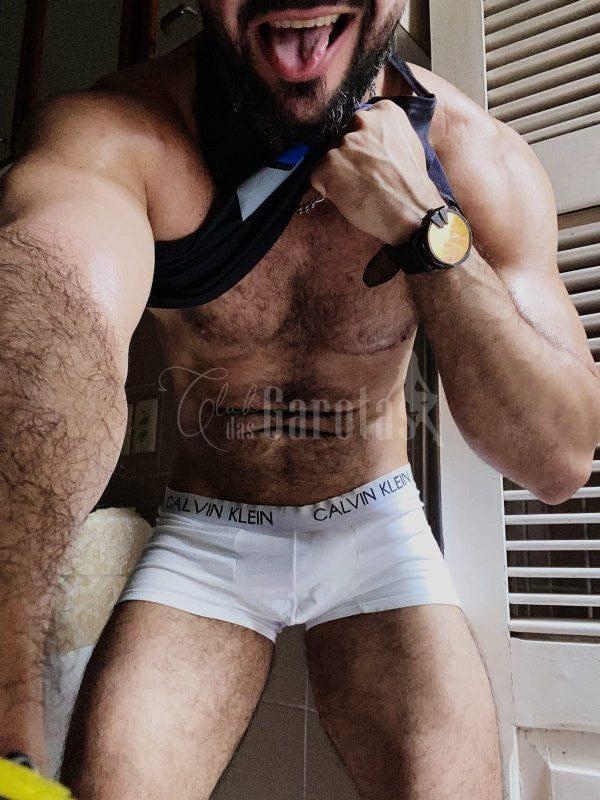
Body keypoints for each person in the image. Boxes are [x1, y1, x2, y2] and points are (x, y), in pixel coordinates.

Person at [1, 2, 598, 798]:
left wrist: (424, 224)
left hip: (374, 528)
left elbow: (559, 458)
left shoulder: (475, 159)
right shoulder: (119, 138)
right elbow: (47, 342)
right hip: (209, 534)